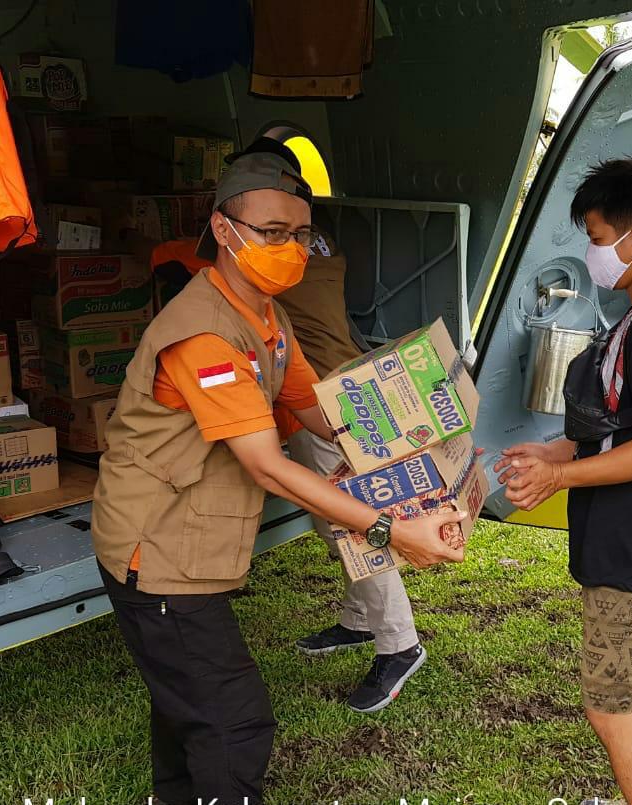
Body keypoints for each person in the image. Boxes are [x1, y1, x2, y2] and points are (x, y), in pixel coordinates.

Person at [90, 138, 467, 805]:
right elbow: (267, 465)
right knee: (235, 722)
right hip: (157, 550)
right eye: (271, 231)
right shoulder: (204, 333)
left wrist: (419, 452)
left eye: (299, 233)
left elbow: (320, 412)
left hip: (188, 540)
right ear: (222, 229)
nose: (290, 247)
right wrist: (390, 531)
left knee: (189, 705)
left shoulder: (269, 317)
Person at [494, 158, 632, 805]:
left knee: (609, 705)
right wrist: (554, 448)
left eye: (595, 235)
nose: (592, 252)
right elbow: (622, 428)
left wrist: (560, 473)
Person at [275, 228, 428, 713]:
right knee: (341, 519)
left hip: (318, 398)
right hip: (342, 387)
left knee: (347, 523)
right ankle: (360, 619)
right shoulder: (320, 242)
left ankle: (399, 643)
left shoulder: (276, 256)